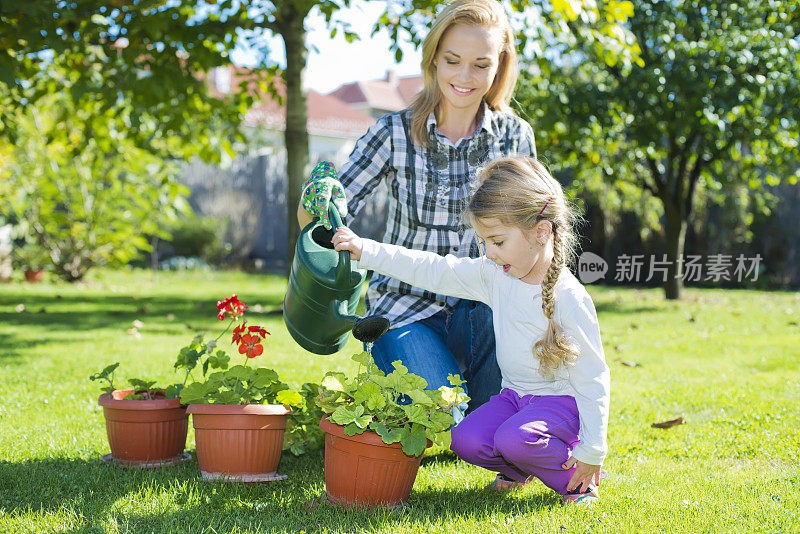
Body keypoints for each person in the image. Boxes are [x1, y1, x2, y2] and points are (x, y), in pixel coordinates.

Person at [297, 0, 536, 413]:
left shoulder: (513, 137)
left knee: (488, 432)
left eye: (481, 64)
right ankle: (432, 381)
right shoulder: (392, 132)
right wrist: (317, 198)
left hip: (486, 314)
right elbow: (318, 222)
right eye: (452, 60)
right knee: (444, 420)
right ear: (434, 60)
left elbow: (534, 236)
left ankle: (484, 400)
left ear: (499, 65)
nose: (464, 77)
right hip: (406, 309)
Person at [331, 156, 610, 505]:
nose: (489, 253)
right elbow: (432, 268)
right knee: (465, 439)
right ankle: (519, 466)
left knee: (513, 439)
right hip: (514, 399)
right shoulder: (495, 275)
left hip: (561, 406)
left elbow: (594, 376)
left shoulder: (569, 297)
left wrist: (593, 448)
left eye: (498, 241)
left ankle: (576, 483)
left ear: (541, 232)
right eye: (483, 243)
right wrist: (366, 251)